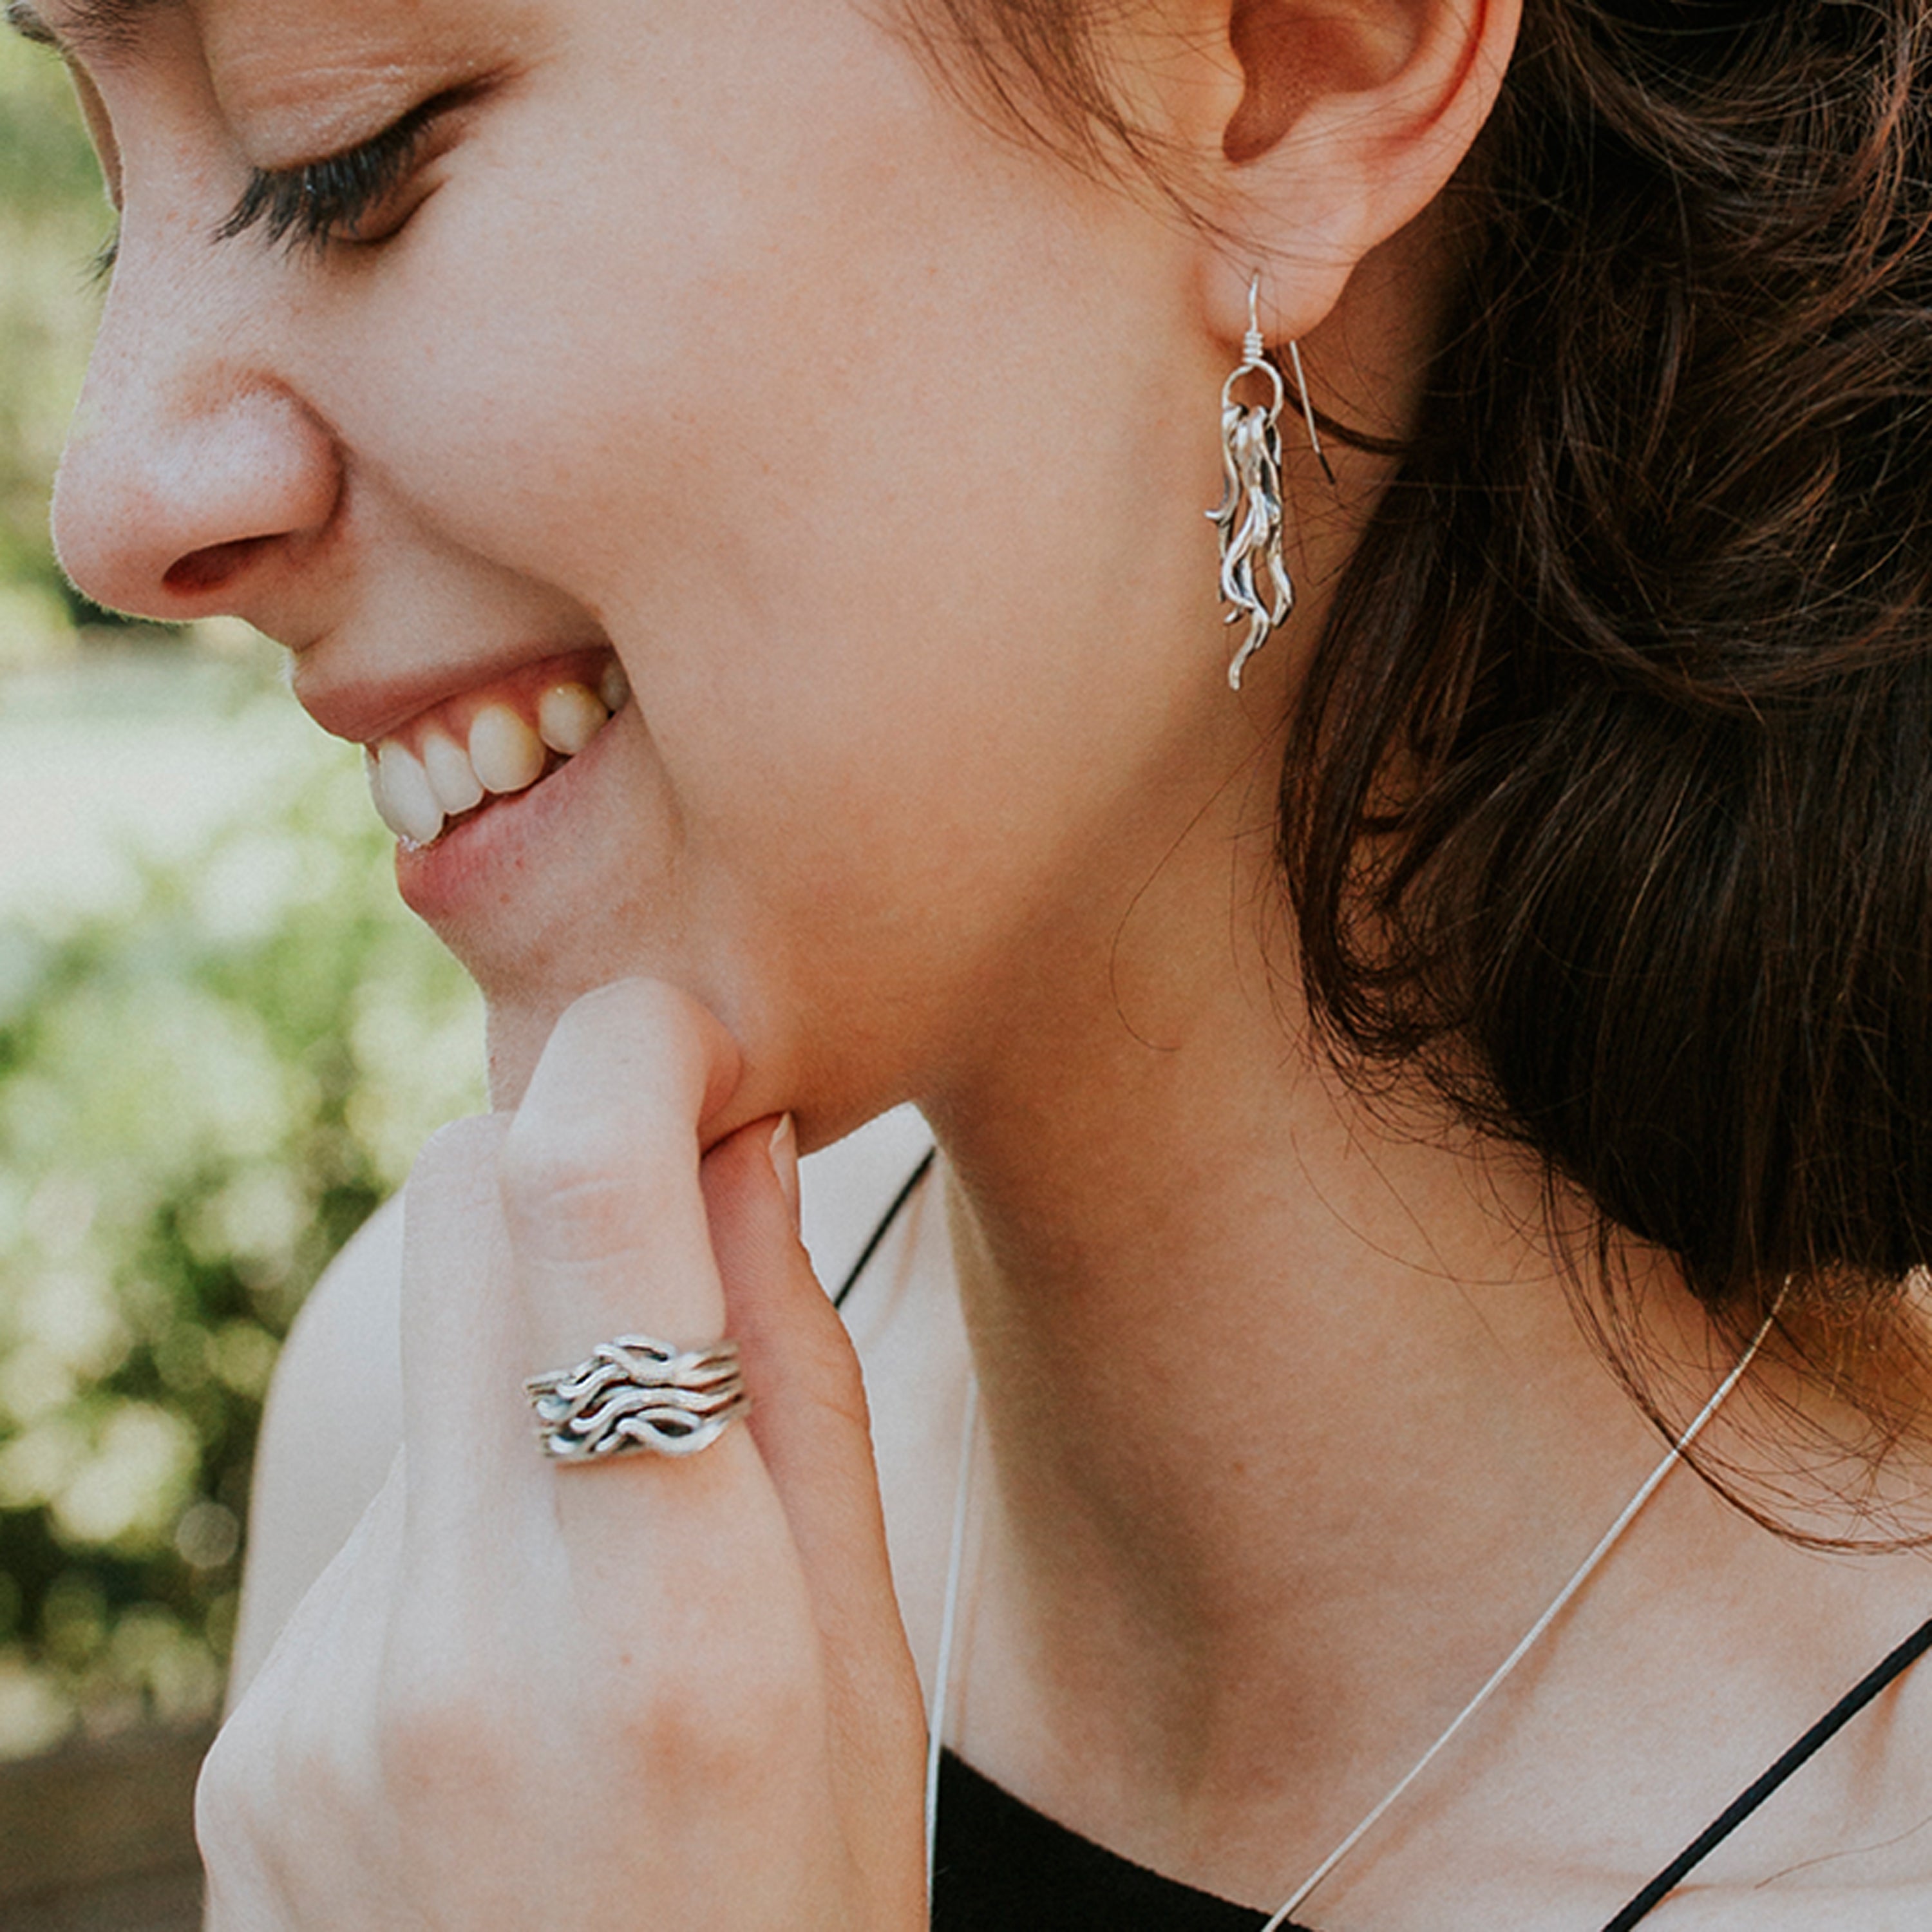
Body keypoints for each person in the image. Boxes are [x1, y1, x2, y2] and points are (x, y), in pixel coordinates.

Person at [13, 0, 1932, 1922]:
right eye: (117, 196)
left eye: (351, 151)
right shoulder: (449, 1525)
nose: (113, 498)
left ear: (1296, 68)